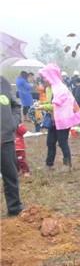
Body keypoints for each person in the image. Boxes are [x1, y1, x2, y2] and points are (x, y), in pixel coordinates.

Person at [38, 63, 80, 171]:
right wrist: (42, 104)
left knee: (62, 142)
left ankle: (67, 165)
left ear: (51, 77)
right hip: (54, 120)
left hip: (63, 120)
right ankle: (49, 164)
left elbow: (55, 105)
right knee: (50, 142)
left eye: (44, 77)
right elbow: (49, 102)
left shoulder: (61, 89)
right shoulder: (49, 89)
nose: (43, 80)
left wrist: (41, 107)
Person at [1, 76, 24, 216]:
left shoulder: (3, 82)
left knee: (10, 175)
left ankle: (14, 208)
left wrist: (12, 124)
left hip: (6, 140)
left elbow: (15, 106)